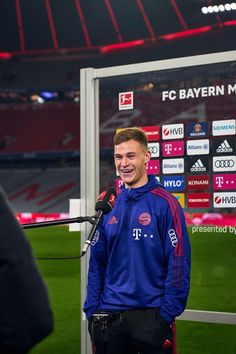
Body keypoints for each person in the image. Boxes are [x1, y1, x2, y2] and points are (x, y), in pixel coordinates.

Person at [84, 127, 191, 354]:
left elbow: (179, 261)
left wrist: (165, 314)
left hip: (151, 317)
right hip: (107, 318)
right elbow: (97, 264)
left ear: (146, 157)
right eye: (118, 157)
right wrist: (92, 309)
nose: (124, 163)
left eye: (131, 156)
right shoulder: (109, 207)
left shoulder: (166, 204)